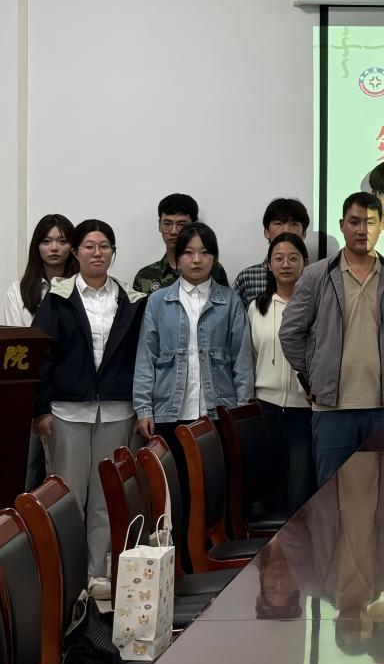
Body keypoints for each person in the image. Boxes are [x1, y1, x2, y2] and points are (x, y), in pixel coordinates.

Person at [31, 219, 145, 599]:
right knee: (68, 500)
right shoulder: (58, 297)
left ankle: (96, 574)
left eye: (105, 246)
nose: (97, 253)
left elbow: (140, 356)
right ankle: (66, 581)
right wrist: (40, 409)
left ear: (113, 253)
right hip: (67, 413)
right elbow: (42, 356)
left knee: (104, 499)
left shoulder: (131, 299)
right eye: (89, 246)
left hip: (117, 411)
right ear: (76, 252)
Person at [280, 193, 384, 485]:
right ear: (342, 224)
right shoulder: (316, 276)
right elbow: (290, 332)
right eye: (355, 222)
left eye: (370, 223)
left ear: (381, 226)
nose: (362, 230)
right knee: (332, 495)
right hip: (332, 410)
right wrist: (312, 375)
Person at [134, 222, 253, 458]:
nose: (197, 260)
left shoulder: (230, 301)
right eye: (188, 253)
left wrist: (241, 410)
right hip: (169, 413)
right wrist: (144, 409)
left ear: (214, 258)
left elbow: (242, 360)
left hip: (219, 412)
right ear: (177, 259)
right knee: (175, 478)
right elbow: (146, 358)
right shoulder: (158, 301)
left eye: (205, 252)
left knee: (217, 477)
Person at [5, 213, 77, 492]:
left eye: (62, 241)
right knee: (27, 473)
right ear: (37, 246)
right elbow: (18, 346)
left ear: (73, 247)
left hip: (68, 391)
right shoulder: (18, 291)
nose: (54, 248)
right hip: (29, 391)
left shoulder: (81, 288)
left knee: (64, 477)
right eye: (47, 241)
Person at [249, 233, 316, 512]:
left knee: (300, 490)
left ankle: (299, 540)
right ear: (268, 265)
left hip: (304, 410)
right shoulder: (256, 307)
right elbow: (251, 356)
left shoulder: (316, 306)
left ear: (305, 263)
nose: (285, 264)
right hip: (265, 408)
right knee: (269, 489)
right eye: (278, 258)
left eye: (292, 258)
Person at [132, 193, 229, 294]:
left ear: (194, 226)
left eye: (181, 224)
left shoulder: (214, 270)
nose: (173, 231)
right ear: (159, 225)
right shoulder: (145, 276)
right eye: (167, 224)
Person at [232, 197, 311, 306]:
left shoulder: (317, 277)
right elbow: (232, 314)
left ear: (304, 233)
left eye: (294, 224)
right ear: (267, 232)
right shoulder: (247, 278)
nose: (286, 230)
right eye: (278, 223)